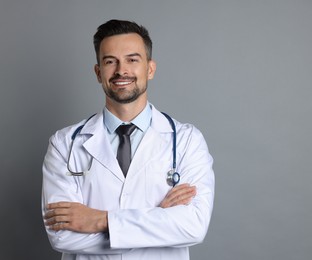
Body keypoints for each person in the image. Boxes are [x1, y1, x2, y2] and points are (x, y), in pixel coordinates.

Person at [41, 19, 215, 260]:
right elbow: (62, 236)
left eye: (132, 60)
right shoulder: (64, 144)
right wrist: (158, 218)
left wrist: (99, 220)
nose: (121, 70)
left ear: (150, 69)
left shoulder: (187, 141)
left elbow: (193, 226)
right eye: (110, 61)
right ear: (98, 72)